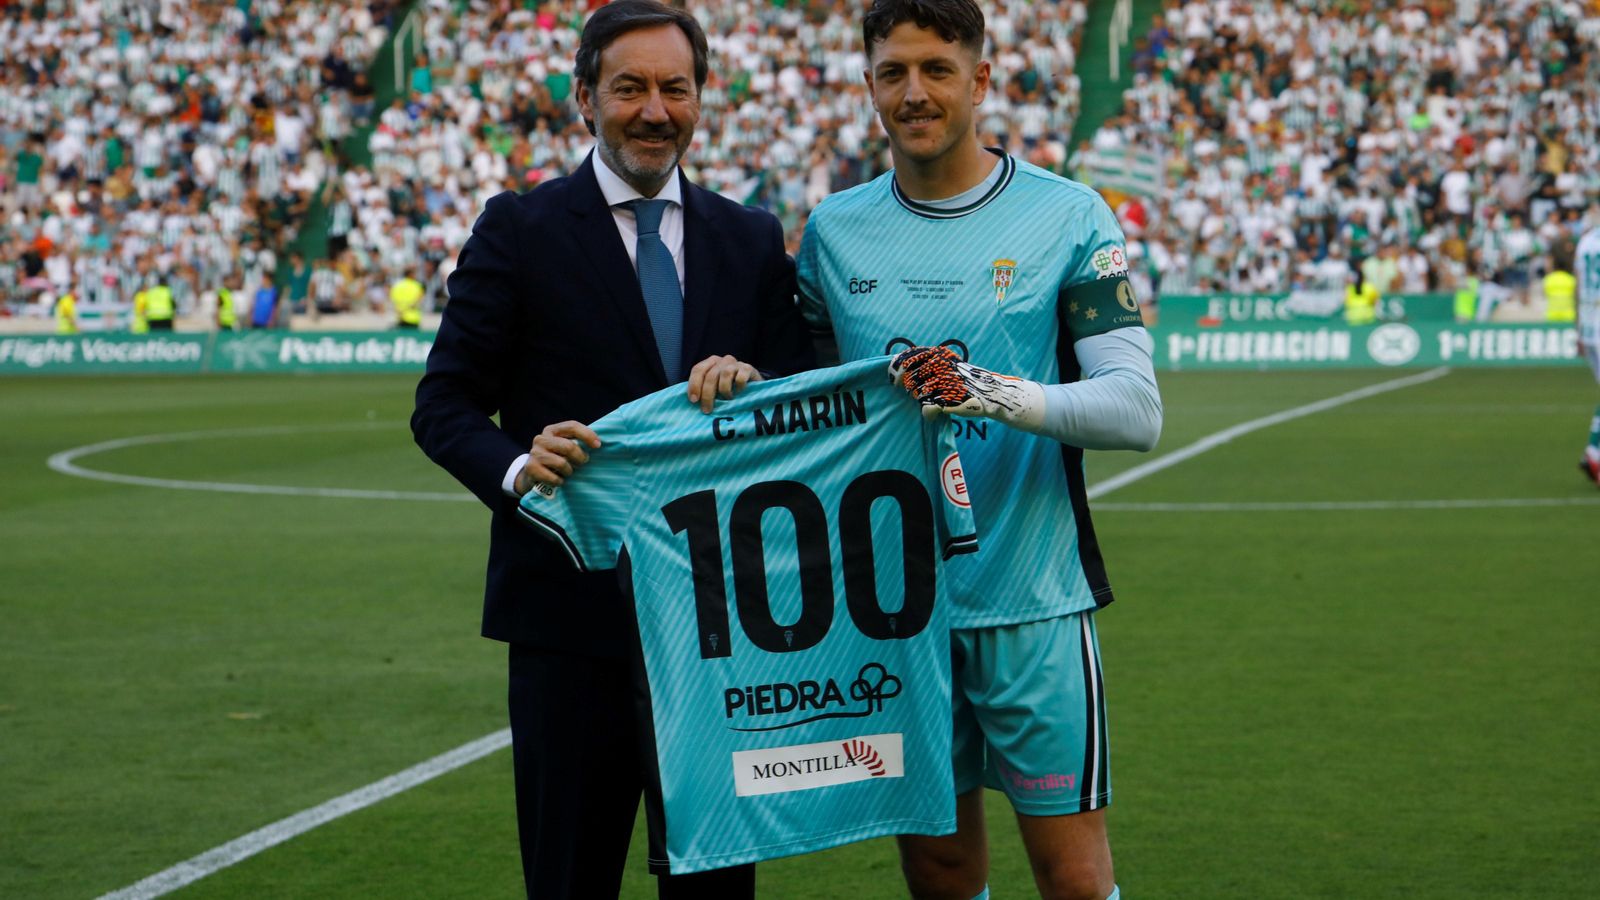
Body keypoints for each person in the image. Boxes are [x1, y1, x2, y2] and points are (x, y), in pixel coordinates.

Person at [410, 2, 813, 897]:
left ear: (702, 98)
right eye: (629, 88)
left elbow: (802, 402)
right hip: (569, 623)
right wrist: (520, 468)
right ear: (583, 99)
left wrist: (755, 381)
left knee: (713, 883)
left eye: (676, 88)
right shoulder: (519, 229)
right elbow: (443, 404)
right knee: (569, 879)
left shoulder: (748, 238)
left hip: (719, 633)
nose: (654, 110)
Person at [796, 2, 1161, 898]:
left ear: (981, 80)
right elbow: (802, 403)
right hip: (895, 614)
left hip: (1031, 601)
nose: (913, 93)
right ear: (870, 85)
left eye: (936, 70)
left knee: (1074, 879)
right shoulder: (831, 233)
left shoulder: (1068, 216)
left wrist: (986, 390)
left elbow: (1135, 409)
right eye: (893, 73)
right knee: (943, 874)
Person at [1575, 221, 1600, 485]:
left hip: (1589, 325)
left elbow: (1578, 285)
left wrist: (1578, 329)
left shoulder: (1586, 241)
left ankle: (1594, 453)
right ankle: (1593, 452)